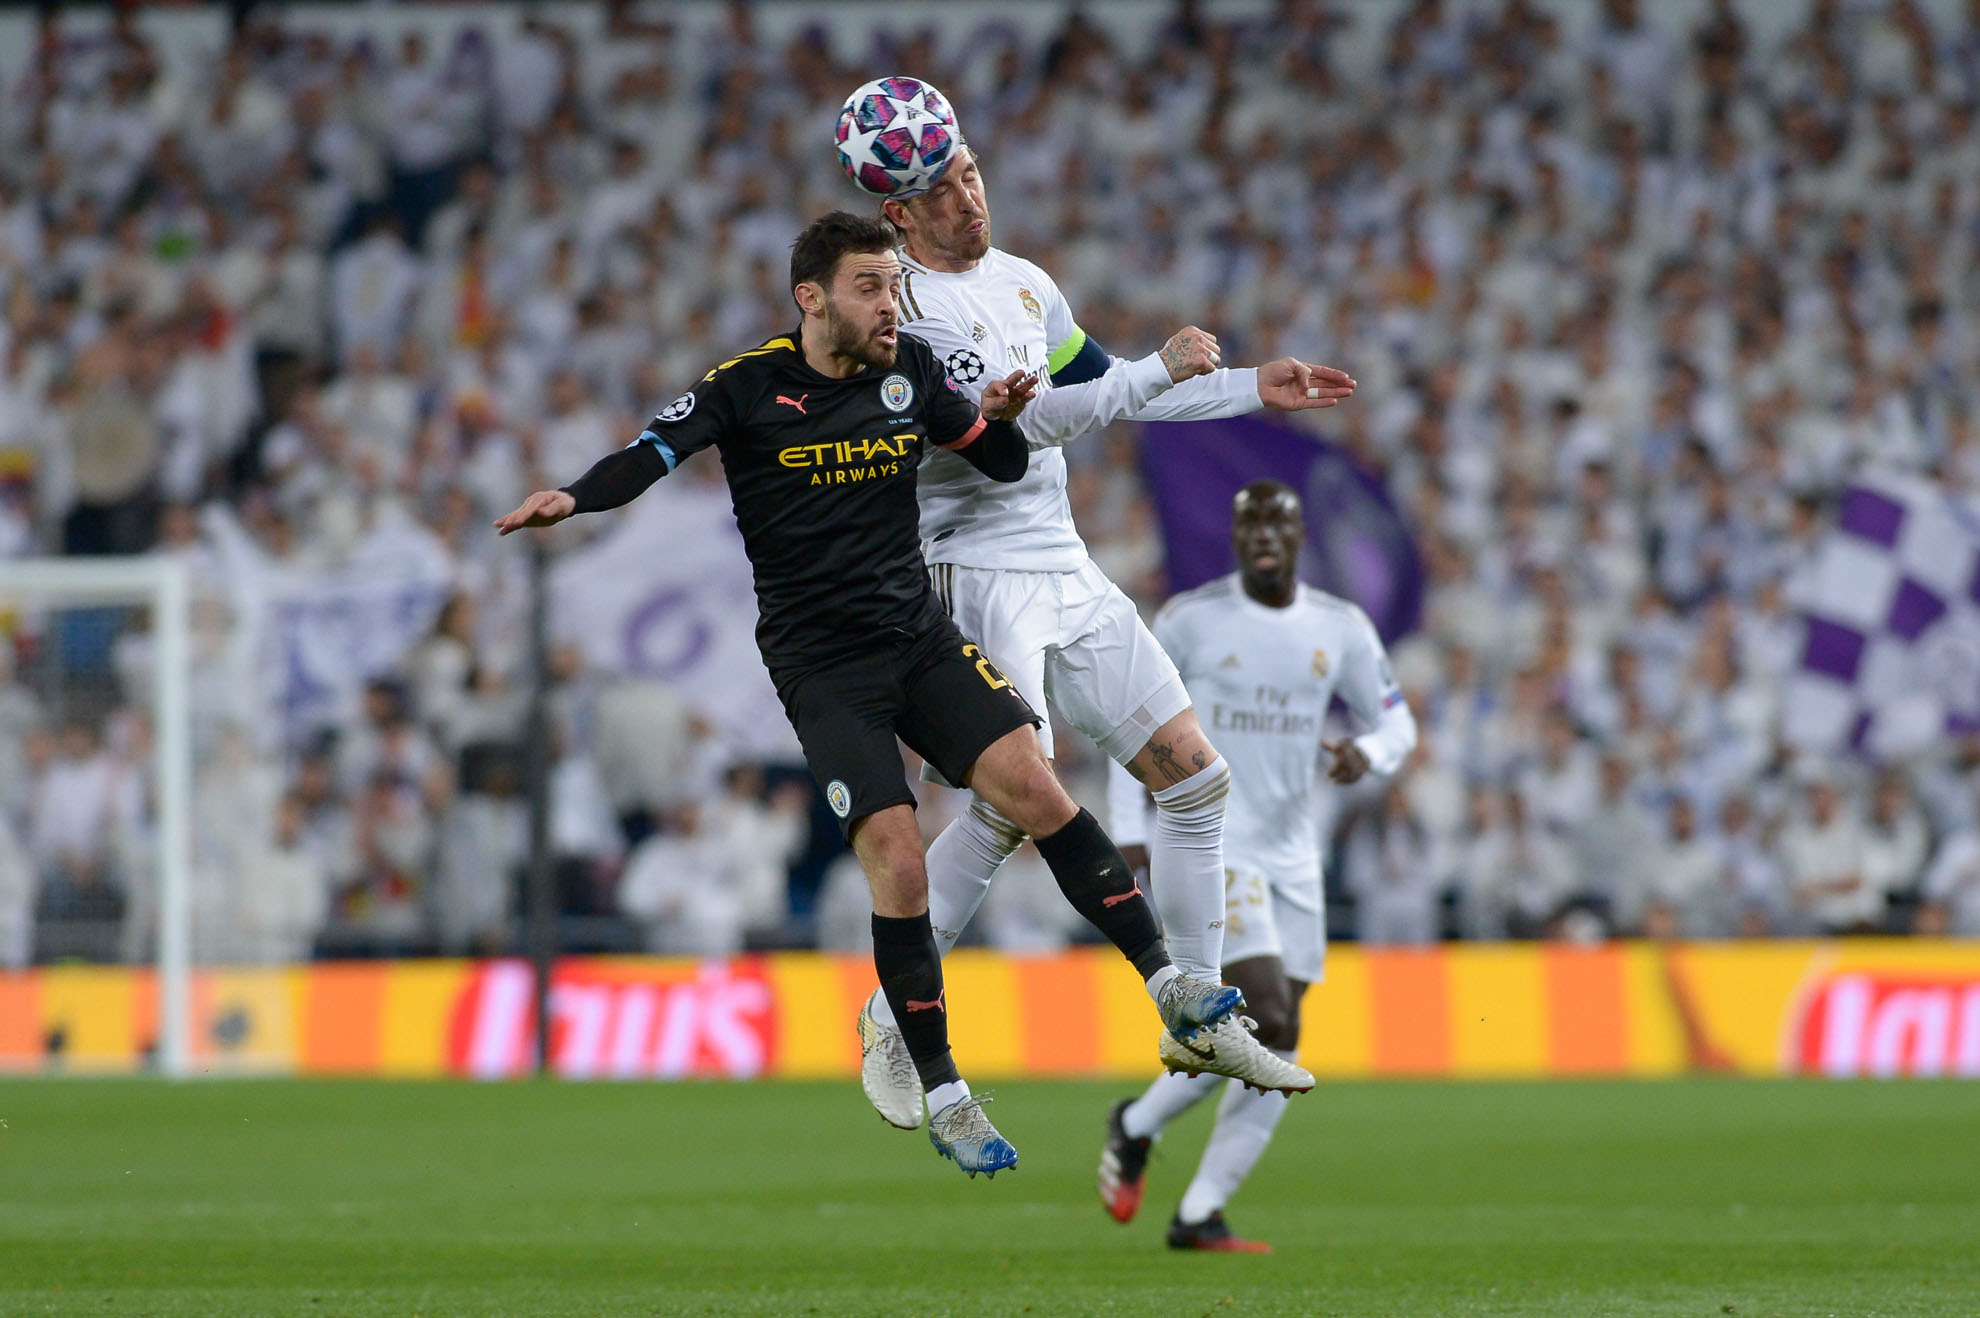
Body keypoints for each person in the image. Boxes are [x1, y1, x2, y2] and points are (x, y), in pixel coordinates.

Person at [496, 211, 1249, 1178]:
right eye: (868, 288)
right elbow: (650, 452)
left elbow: (1003, 462)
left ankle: (1172, 987)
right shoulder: (749, 386)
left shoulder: (915, 378)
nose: (890, 305)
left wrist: (1005, 418)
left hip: (920, 638)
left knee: (1035, 790)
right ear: (811, 299)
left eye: (893, 287)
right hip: (824, 667)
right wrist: (573, 495)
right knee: (898, 860)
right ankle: (945, 1091)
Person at [853, 123, 1356, 1125]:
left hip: (1061, 560)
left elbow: (1107, 386)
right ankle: (890, 1015)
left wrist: (1253, 386)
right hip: (973, 567)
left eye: (970, 175)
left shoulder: (1028, 286)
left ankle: (1198, 1010)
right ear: (898, 215)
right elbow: (1033, 426)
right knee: (1009, 802)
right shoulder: (901, 315)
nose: (969, 200)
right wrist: (1157, 370)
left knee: (1194, 774)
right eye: (941, 193)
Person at [1097, 481, 1418, 1252]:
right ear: (1235, 536)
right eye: (1249, 523)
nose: (1264, 534)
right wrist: (1129, 829)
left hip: (1293, 854)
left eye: (1277, 520)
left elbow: (1395, 718)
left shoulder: (1338, 628)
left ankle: (1183, 1189)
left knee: (1278, 1036)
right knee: (1266, 1017)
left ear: (1300, 533)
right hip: (1213, 842)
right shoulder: (1192, 620)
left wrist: (1366, 753)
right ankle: (1150, 1145)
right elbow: (1127, 722)